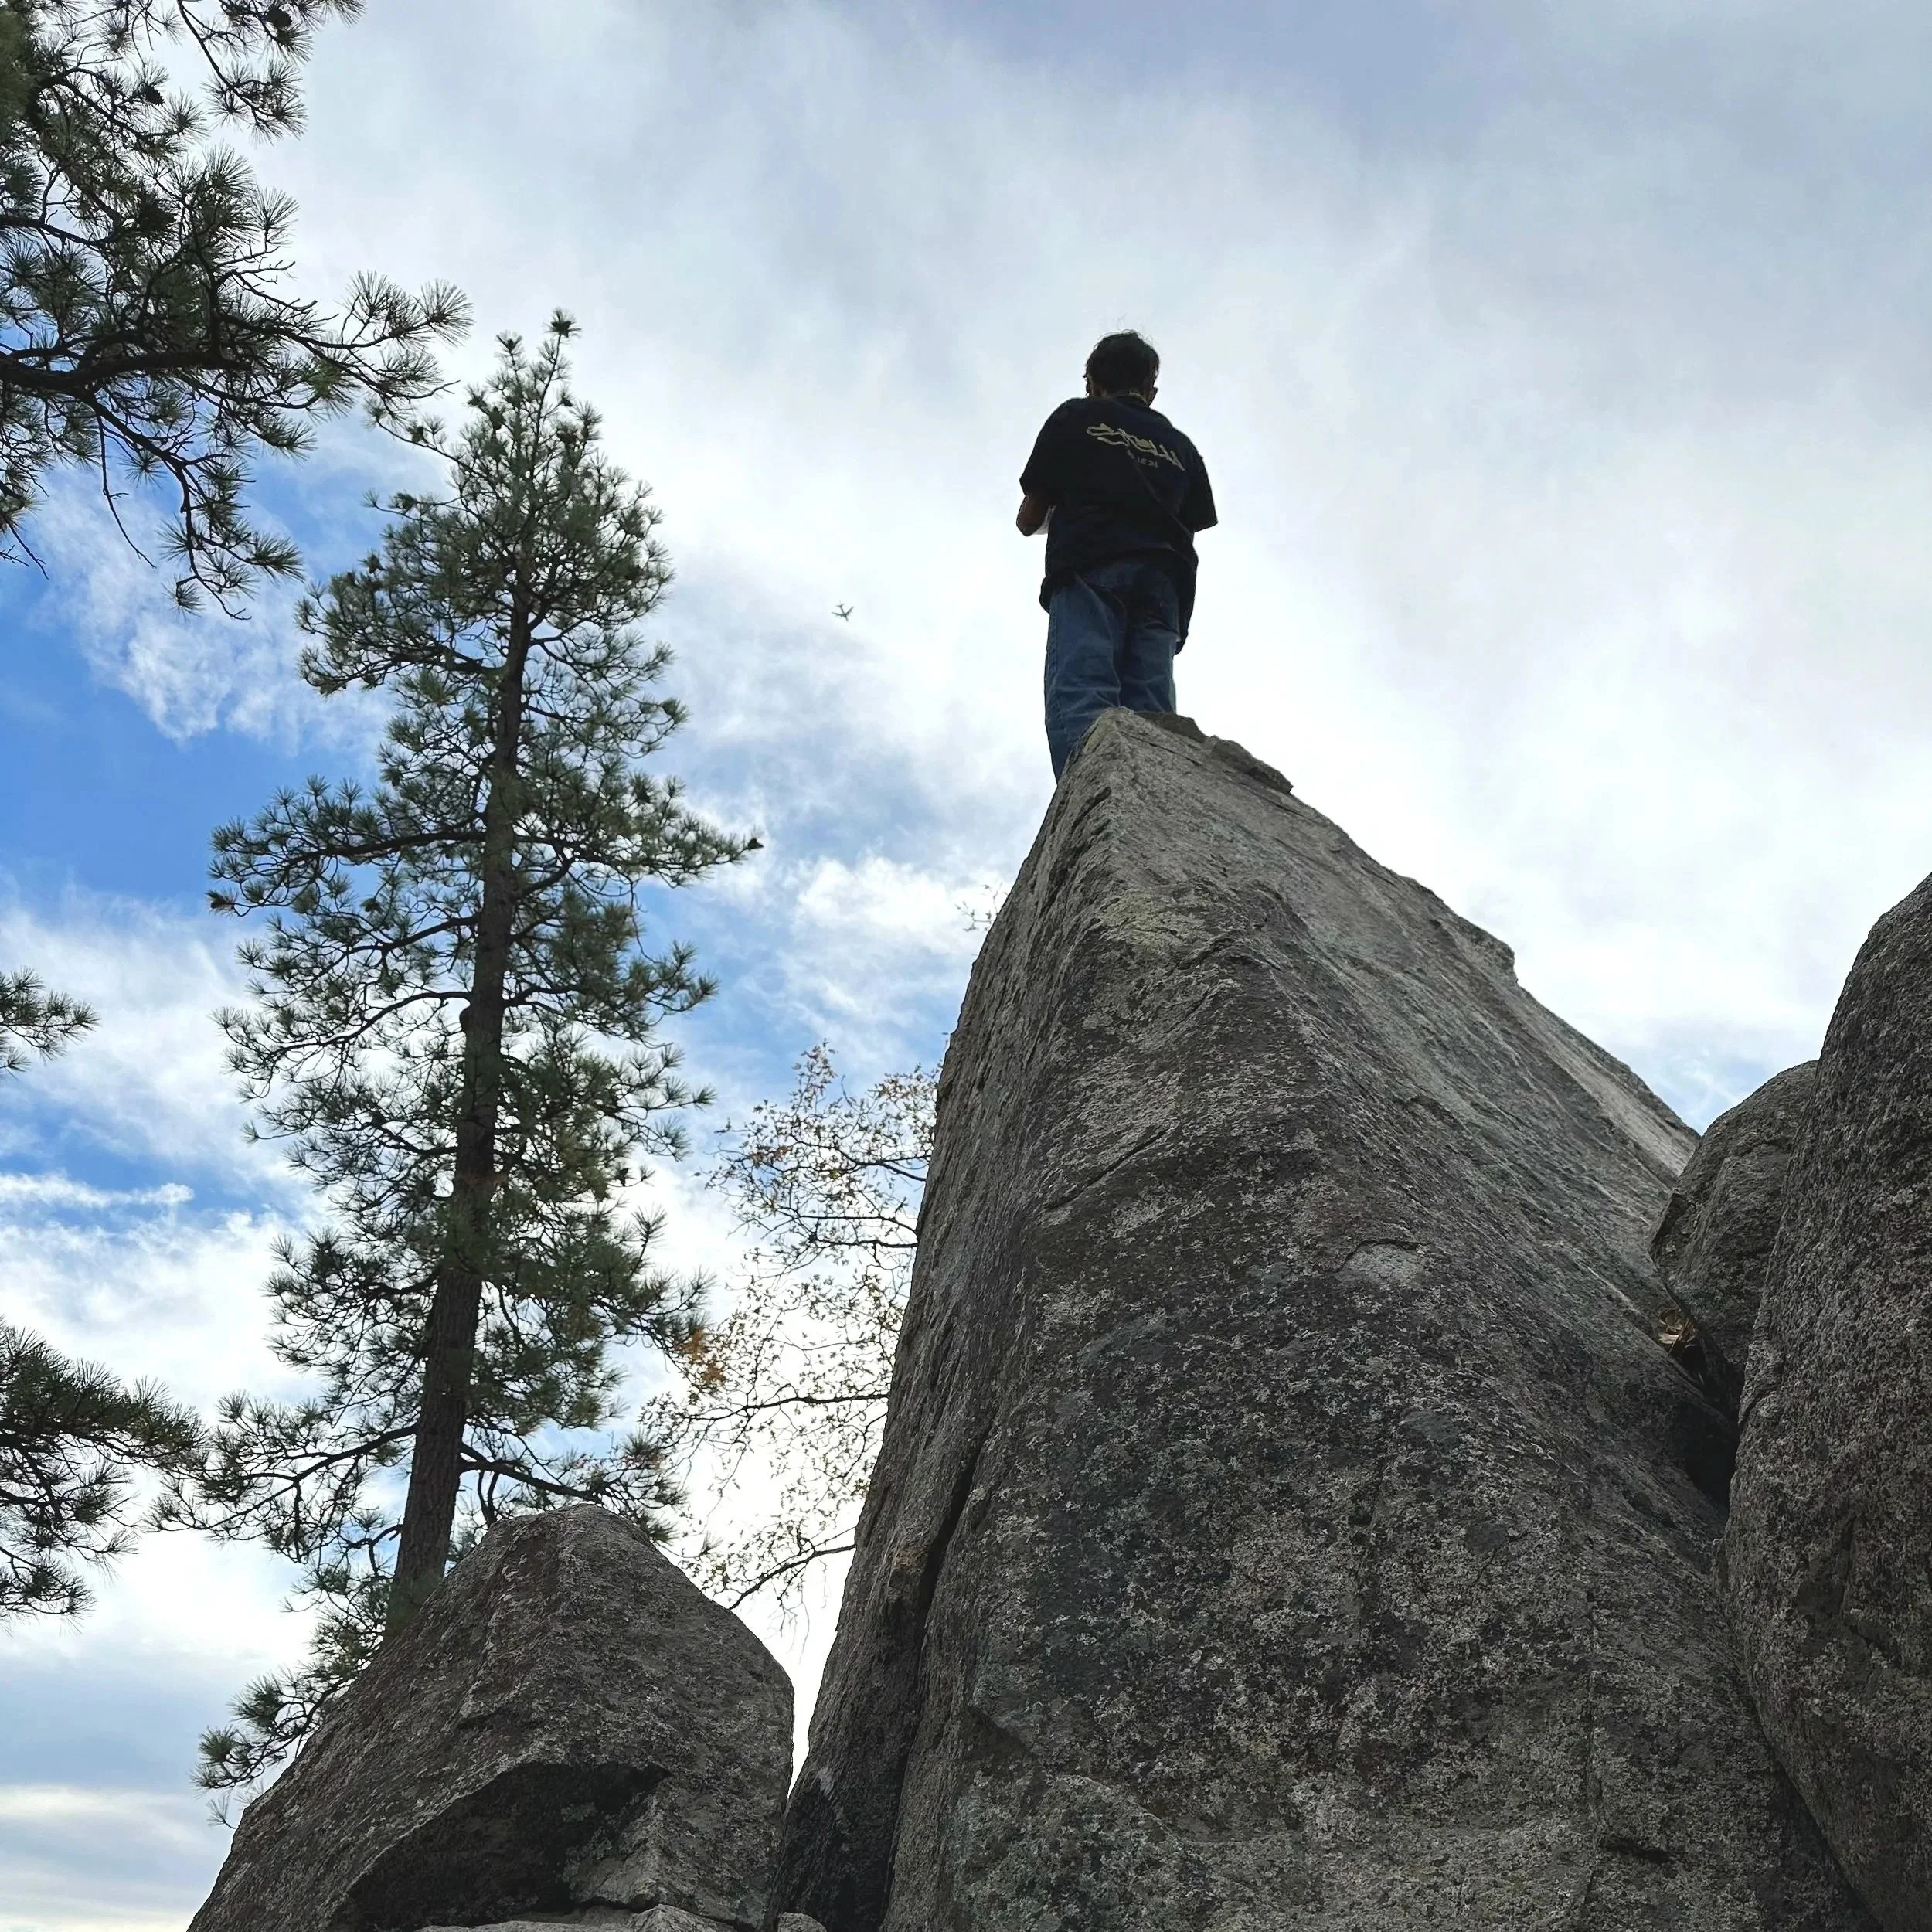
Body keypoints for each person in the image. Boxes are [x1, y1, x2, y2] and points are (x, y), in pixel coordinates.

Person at [1017, 331, 1217, 778]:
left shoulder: (1076, 417)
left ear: (1091, 380)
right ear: (1151, 390)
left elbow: (1029, 519)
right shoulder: (1183, 447)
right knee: (1154, 710)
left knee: (1084, 690)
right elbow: (1191, 521)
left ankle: (1100, 799)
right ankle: (1161, 803)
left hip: (1092, 561)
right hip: (1165, 580)